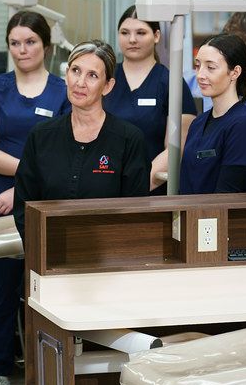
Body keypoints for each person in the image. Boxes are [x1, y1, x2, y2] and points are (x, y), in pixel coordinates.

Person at [0, 10, 70, 385]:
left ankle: (46, 377)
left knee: (45, 296)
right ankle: (0, 376)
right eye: (15, 43)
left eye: (30, 42)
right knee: (0, 294)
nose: (21, 50)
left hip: (46, 203)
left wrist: (24, 187)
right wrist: (22, 181)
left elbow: (66, 154)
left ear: (45, 45)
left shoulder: (65, 90)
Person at [14, 39, 151, 241]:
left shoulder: (129, 140)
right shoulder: (41, 136)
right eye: (76, 71)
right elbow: (24, 208)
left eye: (92, 76)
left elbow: (135, 214)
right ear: (66, 75)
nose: (80, 82)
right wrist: (41, 252)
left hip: (108, 262)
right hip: (47, 256)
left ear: (107, 86)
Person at [105, 6, 197, 193]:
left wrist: (135, 188)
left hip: (151, 189)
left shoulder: (171, 83)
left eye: (141, 33)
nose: (132, 39)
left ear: (156, 36)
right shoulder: (105, 80)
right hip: (104, 185)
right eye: (125, 33)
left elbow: (176, 150)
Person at [179, 34, 246, 194]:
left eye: (210, 67)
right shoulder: (198, 123)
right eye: (198, 66)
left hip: (223, 217)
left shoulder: (244, 125)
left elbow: (227, 195)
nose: (200, 75)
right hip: (191, 215)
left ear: (235, 72)